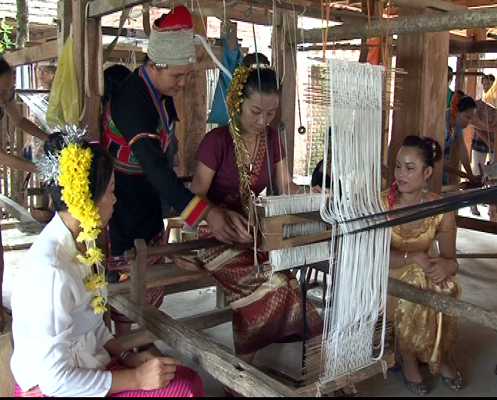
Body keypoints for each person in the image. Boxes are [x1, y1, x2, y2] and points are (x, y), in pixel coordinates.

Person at [10, 130, 204, 397]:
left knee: (187, 380)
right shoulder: (51, 272)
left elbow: (92, 326)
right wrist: (136, 378)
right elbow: (54, 380)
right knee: (181, 391)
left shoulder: (85, 242)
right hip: (54, 388)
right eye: (110, 191)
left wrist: (126, 356)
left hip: (86, 365)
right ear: (86, 200)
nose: (115, 199)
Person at [101, 5, 252, 335]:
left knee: (150, 272)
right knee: (126, 275)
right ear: (155, 65)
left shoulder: (159, 89)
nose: (183, 83)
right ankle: (126, 344)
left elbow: (162, 161)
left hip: (147, 196)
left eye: (188, 75)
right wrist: (205, 213)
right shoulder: (132, 100)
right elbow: (155, 166)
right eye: (178, 76)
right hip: (122, 200)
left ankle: (141, 338)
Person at [190, 53, 327, 396]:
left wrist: (317, 193)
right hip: (214, 234)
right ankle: (237, 376)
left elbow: (285, 189)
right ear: (238, 103)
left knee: (288, 288)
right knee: (273, 287)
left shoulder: (272, 141)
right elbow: (195, 200)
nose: (263, 120)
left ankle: (317, 372)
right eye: (255, 112)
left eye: (270, 114)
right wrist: (216, 219)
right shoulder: (216, 141)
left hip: (252, 233)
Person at [381, 135, 463, 396]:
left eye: (409, 168)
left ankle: (441, 353)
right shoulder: (382, 204)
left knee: (446, 286)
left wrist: (446, 268)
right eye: (397, 166)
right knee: (417, 279)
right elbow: (373, 256)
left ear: (427, 172)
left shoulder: (440, 208)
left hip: (421, 271)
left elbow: (452, 260)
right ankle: (409, 359)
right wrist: (410, 258)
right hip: (386, 274)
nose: (400, 174)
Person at [0, 57, 48, 169]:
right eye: (2, 92)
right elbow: (2, 158)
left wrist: (49, 138)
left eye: (11, 89)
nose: (7, 99)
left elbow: (19, 121)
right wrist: (44, 170)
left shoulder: (6, 93)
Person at [470, 74, 497, 216]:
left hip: (494, 144)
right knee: (477, 173)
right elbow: (475, 125)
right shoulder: (478, 104)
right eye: (485, 83)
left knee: (494, 174)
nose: (487, 86)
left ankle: (491, 207)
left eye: (490, 84)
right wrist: (489, 141)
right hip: (480, 141)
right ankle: (472, 205)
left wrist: (494, 143)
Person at [443, 90, 480, 185]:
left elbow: (461, 148)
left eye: (471, 119)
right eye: (467, 117)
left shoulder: (457, 126)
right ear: (457, 112)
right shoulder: (441, 122)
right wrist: (459, 173)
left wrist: (470, 174)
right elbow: (434, 158)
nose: (469, 122)